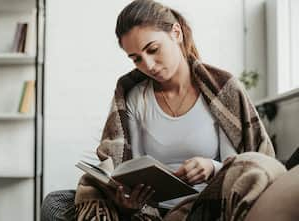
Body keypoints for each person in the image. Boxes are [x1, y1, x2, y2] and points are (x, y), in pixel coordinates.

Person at [42, 0, 288, 220]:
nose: (148, 65)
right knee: (55, 202)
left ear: (176, 33)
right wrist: (128, 203)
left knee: (254, 169)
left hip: (205, 207)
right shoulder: (135, 97)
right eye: (136, 58)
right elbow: (130, 167)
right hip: (149, 211)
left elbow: (242, 166)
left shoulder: (220, 91)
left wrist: (211, 166)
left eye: (153, 49)